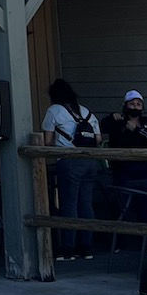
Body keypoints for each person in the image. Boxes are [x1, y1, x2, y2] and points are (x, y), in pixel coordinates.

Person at [40, 79, 100, 262]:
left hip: (69, 161)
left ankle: (68, 248)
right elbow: (97, 139)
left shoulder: (54, 111)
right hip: (90, 161)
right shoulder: (86, 112)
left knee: (69, 204)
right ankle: (87, 247)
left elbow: (48, 141)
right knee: (86, 204)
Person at [106, 89, 147, 226]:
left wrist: (136, 130)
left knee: (144, 206)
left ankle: (145, 242)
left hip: (145, 172)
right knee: (123, 207)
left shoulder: (146, 121)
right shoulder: (118, 122)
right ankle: (122, 241)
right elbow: (104, 127)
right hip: (123, 171)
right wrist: (112, 117)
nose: (135, 106)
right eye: (132, 104)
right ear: (125, 105)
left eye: (138, 104)